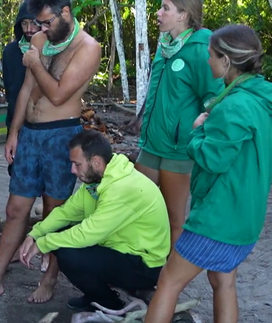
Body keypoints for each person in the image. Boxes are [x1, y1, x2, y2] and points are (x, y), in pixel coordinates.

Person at [110, 25, 272, 323]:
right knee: (224, 283)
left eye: (211, 55)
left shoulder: (234, 106)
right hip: (246, 217)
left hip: (217, 218)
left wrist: (197, 132)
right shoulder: (265, 99)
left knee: (169, 283)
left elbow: (212, 159)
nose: (206, 60)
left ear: (226, 60)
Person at [0, 0, 101, 304]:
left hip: (62, 135)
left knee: (54, 211)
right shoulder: (40, 40)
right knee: (15, 209)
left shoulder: (87, 47)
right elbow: (26, 90)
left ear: (65, 13)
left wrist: (35, 63)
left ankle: (50, 277)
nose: (39, 30)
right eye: (37, 23)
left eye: (46, 22)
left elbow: (58, 94)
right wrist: (14, 133)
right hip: (30, 134)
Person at [17, 130, 169, 310]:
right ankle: (96, 296)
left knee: (68, 254)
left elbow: (88, 234)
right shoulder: (97, 181)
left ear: (96, 161)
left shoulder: (123, 187)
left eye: (77, 164)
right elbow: (65, 213)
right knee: (58, 234)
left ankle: (108, 303)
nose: (72, 170)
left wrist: (43, 243)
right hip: (118, 247)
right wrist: (35, 234)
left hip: (144, 264)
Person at [136, 0, 222, 248]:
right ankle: (143, 272)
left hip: (179, 151)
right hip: (150, 146)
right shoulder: (165, 47)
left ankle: (168, 282)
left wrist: (201, 135)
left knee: (173, 219)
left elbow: (214, 99)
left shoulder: (200, 49)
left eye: (165, 8)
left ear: (184, 15)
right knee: (140, 210)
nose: (158, 13)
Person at [2, 0, 41, 140]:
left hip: (43, 124)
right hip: (15, 123)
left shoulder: (50, 50)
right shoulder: (10, 52)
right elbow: (10, 90)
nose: (29, 29)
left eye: (33, 23)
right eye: (24, 24)